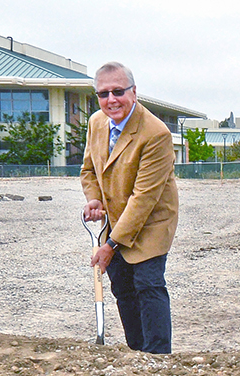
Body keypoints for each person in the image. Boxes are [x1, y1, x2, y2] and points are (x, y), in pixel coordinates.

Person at [81, 62, 180, 354]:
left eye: (118, 91)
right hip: (115, 218)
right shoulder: (96, 123)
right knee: (122, 287)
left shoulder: (155, 134)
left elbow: (143, 199)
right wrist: (94, 198)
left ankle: (159, 357)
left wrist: (110, 245)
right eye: (103, 94)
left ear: (134, 92)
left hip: (150, 222)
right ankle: (137, 353)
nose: (111, 100)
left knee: (147, 285)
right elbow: (89, 169)